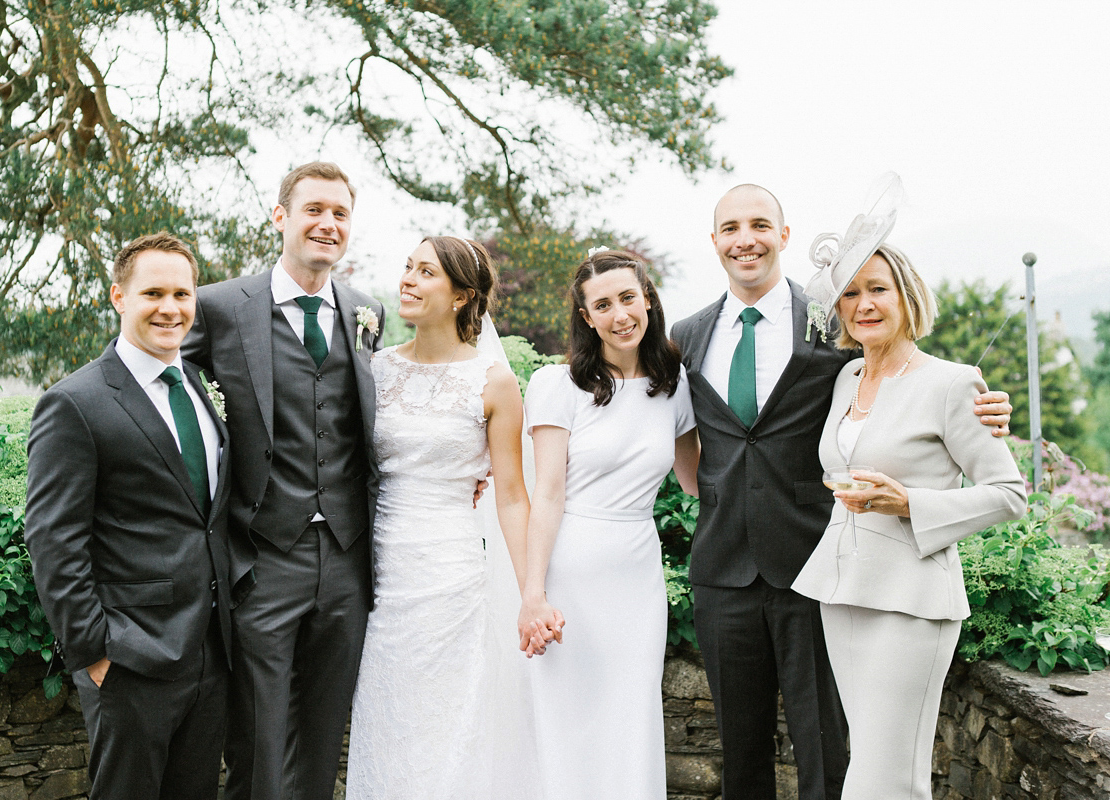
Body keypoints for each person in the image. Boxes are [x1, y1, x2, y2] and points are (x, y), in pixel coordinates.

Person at [669, 184, 1013, 800]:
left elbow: (918, 385)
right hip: (728, 567)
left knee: (838, 757)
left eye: (759, 224)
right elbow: (668, 425)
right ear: (714, 240)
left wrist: (985, 409)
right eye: (730, 227)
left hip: (817, 567)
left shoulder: (827, 328)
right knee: (741, 754)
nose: (745, 238)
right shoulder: (689, 335)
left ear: (784, 234)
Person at [791, 243, 1026, 798]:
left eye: (878, 289)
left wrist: (910, 504)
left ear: (906, 295)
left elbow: (1009, 494)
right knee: (870, 761)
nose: (863, 304)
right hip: (843, 592)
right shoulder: (846, 377)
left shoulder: (952, 382)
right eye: (850, 292)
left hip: (913, 599)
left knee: (886, 776)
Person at [181, 162, 384, 800]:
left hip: (349, 558)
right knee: (259, 738)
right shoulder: (218, 306)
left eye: (340, 214)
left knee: (326, 733)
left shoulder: (366, 312)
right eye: (313, 210)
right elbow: (160, 394)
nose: (327, 224)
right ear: (281, 217)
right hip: (263, 554)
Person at [25, 232, 232, 800]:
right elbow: (52, 539)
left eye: (183, 294)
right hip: (131, 659)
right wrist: (94, 653)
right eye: (153, 293)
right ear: (119, 296)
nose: (171, 308)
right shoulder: (75, 403)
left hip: (210, 652)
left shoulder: (194, 385)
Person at [344, 236, 531, 799]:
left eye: (425, 272)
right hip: (374, 572)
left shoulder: (493, 381)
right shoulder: (371, 369)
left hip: (450, 575)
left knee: (448, 721)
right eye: (407, 267)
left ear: (461, 296)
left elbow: (513, 496)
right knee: (384, 717)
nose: (407, 279)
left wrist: (530, 593)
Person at [518, 249, 700, 800]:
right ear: (585, 316)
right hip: (570, 568)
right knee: (567, 714)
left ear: (647, 300)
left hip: (636, 571)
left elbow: (698, 481)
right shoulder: (557, 385)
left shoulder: (673, 384)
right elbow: (545, 496)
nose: (620, 314)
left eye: (628, 298)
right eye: (603, 305)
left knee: (630, 711)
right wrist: (533, 593)